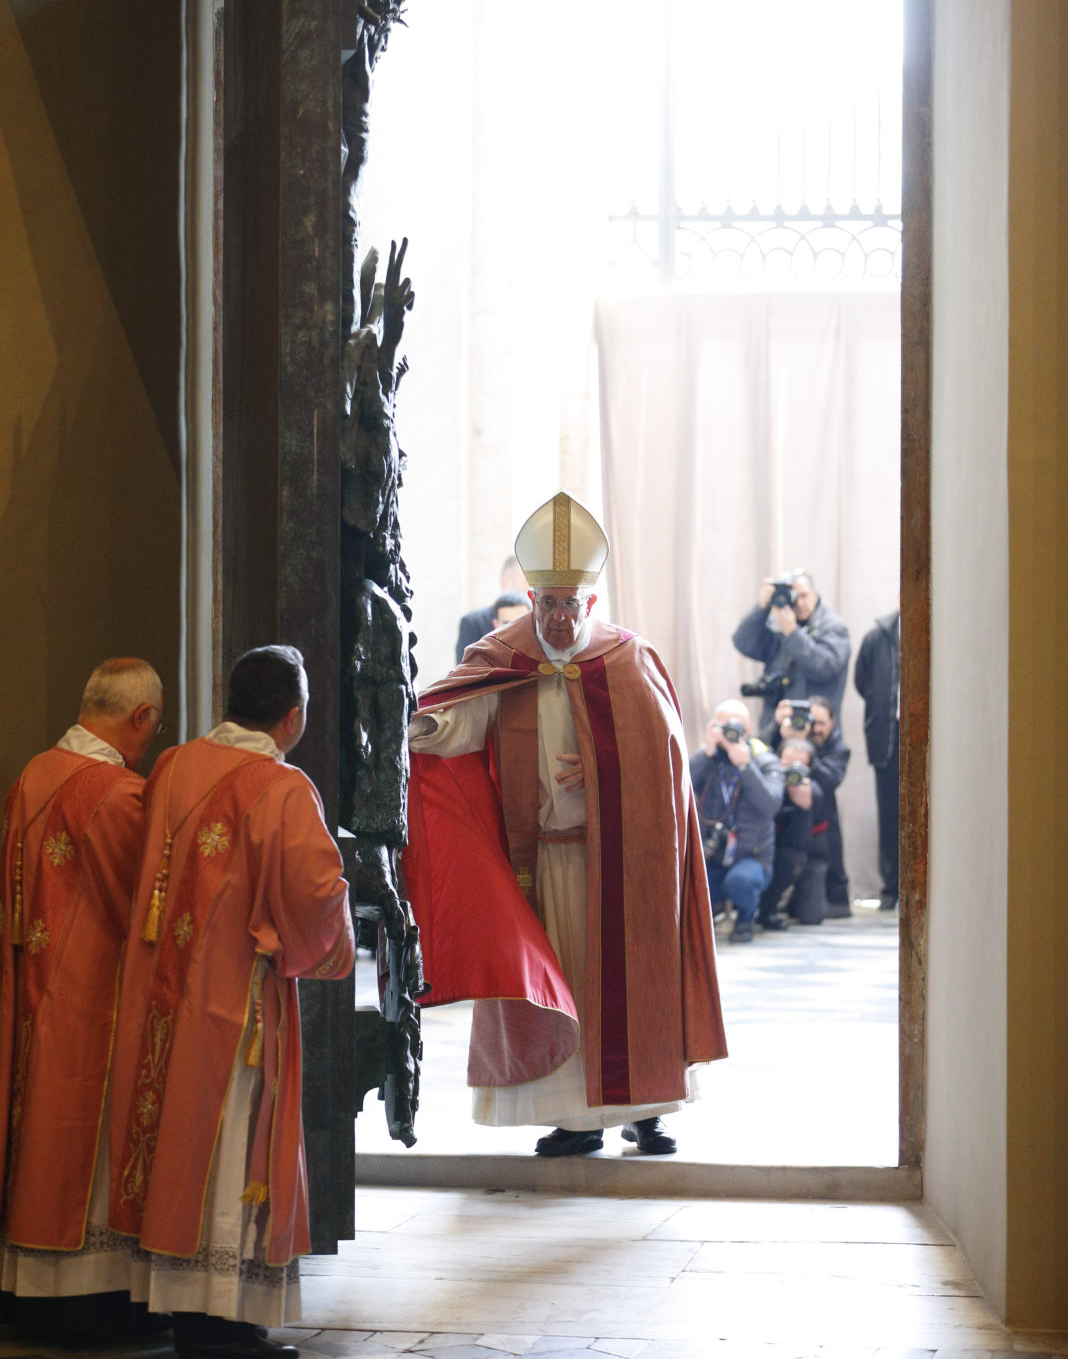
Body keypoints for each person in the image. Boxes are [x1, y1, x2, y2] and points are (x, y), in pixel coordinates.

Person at [405, 492, 725, 1158]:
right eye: (545, 604)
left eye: (567, 606)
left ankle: (648, 1110)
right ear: (531, 601)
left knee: (636, 981)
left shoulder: (629, 661)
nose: (555, 618)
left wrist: (609, 770)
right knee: (567, 988)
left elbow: (668, 772)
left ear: (591, 605)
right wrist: (419, 725)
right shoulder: (502, 657)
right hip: (543, 862)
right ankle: (576, 1119)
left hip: (625, 863)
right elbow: (458, 721)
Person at [108, 645, 355, 1359]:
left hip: (163, 994)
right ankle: (220, 1322)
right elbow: (313, 895)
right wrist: (338, 925)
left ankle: (201, 1315)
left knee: (176, 1148)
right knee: (230, 1152)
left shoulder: (173, 765)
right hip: (238, 1009)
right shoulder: (280, 788)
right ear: (293, 716)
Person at [0, 658, 164, 1327]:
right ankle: (86, 1300)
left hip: (33, 985)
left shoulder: (34, 773)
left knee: (35, 1128)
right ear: (141, 719)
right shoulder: (116, 793)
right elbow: (145, 901)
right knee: (84, 1144)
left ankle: (29, 1287)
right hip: (92, 995)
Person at [689, 699, 784, 945]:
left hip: (752, 857)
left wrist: (745, 765)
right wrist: (705, 753)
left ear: (748, 729)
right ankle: (711, 914)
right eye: (723, 726)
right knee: (688, 881)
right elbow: (678, 790)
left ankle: (745, 918)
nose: (729, 732)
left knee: (740, 881)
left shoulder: (764, 760)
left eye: (735, 726)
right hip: (714, 854)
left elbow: (770, 805)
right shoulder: (709, 759)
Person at [732, 570, 851, 743]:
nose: (800, 603)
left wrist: (792, 633)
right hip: (776, 727)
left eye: (804, 595)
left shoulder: (833, 627)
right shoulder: (777, 624)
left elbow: (824, 667)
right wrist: (760, 608)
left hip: (815, 730)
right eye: (794, 597)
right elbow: (743, 643)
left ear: (815, 595)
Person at [771, 695, 852, 917]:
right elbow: (760, 757)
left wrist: (806, 755)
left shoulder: (838, 748)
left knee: (811, 915)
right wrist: (775, 728)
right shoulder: (781, 737)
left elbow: (831, 780)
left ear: (833, 723)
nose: (814, 728)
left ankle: (812, 899)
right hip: (780, 827)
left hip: (817, 831)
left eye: (821, 723)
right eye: (810, 721)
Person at [854, 608, 901, 910]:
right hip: (887, 738)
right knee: (889, 816)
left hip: (927, 733)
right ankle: (891, 887)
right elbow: (863, 682)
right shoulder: (877, 637)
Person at [758, 736, 829, 928]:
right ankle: (766, 908)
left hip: (807, 854)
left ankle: (789, 902)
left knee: (812, 915)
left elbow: (800, 844)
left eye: (799, 767)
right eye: (786, 765)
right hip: (768, 847)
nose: (790, 772)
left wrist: (803, 810)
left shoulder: (814, 793)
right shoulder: (766, 785)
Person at [455, 556, 527, 660]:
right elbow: (463, 671)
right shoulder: (473, 623)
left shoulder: (540, 621)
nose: (533, 589)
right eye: (527, 582)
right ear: (506, 582)